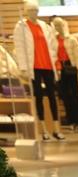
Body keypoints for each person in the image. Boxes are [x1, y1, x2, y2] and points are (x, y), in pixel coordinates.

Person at [13, 0, 65, 141]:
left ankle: (56, 129)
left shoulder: (45, 26)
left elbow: (53, 45)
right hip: (34, 67)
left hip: (47, 65)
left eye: (35, 10)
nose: (33, 13)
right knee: (39, 97)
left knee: (52, 97)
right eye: (30, 10)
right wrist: (23, 67)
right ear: (26, 11)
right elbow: (19, 48)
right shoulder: (21, 26)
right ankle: (43, 130)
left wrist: (54, 61)